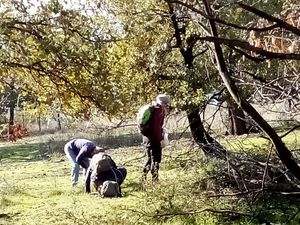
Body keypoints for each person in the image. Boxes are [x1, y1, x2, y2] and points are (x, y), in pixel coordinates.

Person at [141, 94, 171, 183]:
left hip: (147, 138)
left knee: (150, 159)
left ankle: (143, 179)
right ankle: (155, 180)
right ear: (165, 103)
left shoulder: (153, 109)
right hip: (154, 139)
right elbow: (156, 127)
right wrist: (161, 140)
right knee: (156, 160)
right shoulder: (159, 111)